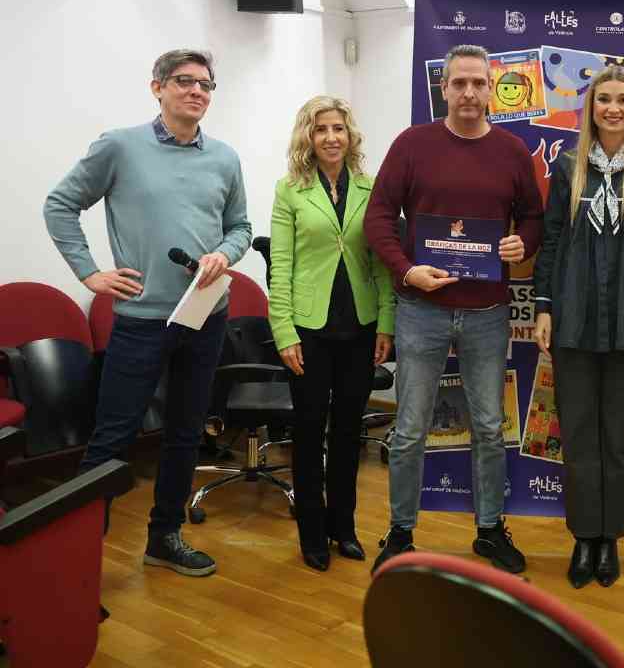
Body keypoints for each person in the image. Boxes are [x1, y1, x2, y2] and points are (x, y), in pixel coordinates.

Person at [43, 49, 251, 577]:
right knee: (113, 439)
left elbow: (240, 227)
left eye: (205, 84)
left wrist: (224, 254)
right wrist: (90, 274)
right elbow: (60, 205)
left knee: (185, 433)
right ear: (157, 87)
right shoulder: (119, 146)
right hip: (140, 321)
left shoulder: (224, 158)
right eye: (184, 81)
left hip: (205, 316)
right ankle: (75, 558)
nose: (196, 91)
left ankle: (165, 537)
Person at [365, 44, 543, 574]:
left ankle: (489, 530)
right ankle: (400, 532)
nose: (469, 92)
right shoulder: (412, 144)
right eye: (459, 82)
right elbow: (378, 218)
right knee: (410, 428)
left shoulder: (512, 150)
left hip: (487, 312)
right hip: (421, 309)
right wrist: (406, 270)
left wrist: (522, 244)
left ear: (492, 90)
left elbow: (534, 219)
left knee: (489, 426)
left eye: (478, 83)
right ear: (443, 88)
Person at [533, 65, 624, 588]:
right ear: (590, 107)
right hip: (574, 321)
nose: (613, 108)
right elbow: (552, 239)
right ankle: (583, 538)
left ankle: (609, 538)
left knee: (617, 438)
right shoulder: (568, 166)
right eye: (604, 100)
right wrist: (544, 307)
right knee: (578, 435)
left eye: (623, 99)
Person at [268, 96, 395, 572]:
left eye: (338, 128)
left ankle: (344, 527)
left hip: (360, 328)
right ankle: (312, 534)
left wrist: (386, 323)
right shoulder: (289, 191)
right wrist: (284, 331)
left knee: (347, 433)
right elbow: (280, 267)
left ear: (350, 134)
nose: (331, 137)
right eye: (321, 129)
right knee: (307, 431)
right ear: (308, 137)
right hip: (308, 331)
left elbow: (381, 262)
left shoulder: (370, 187)